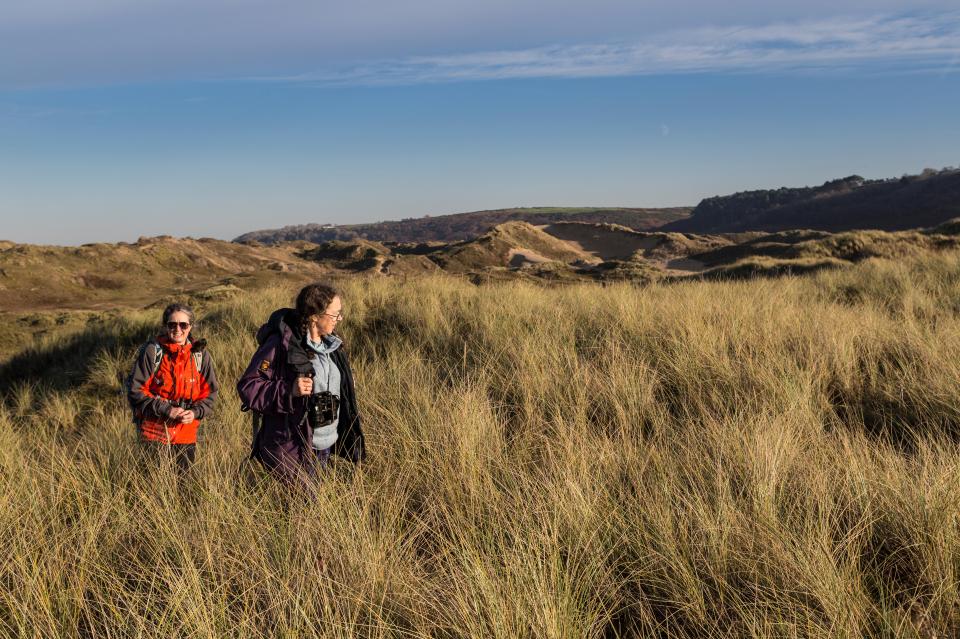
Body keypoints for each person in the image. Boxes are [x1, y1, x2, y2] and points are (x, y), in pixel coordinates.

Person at [237, 282, 365, 484]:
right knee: (304, 508)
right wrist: (289, 390)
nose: (339, 319)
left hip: (325, 444)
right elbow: (249, 386)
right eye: (334, 314)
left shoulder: (332, 345)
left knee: (313, 505)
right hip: (294, 445)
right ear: (314, 316)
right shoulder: (281, 345)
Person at [126, 303, 219, 471]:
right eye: (172, 324)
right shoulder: (152, 352)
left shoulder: (200, 356)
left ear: (190, 327)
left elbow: (209, 393)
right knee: (151, 486)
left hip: (186, 433)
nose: (178, 329)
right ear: (165, 326)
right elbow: (136, 391)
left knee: (183, 489)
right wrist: (166, 409)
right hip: (154, 432)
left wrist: (195, 412)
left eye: (183, 325)